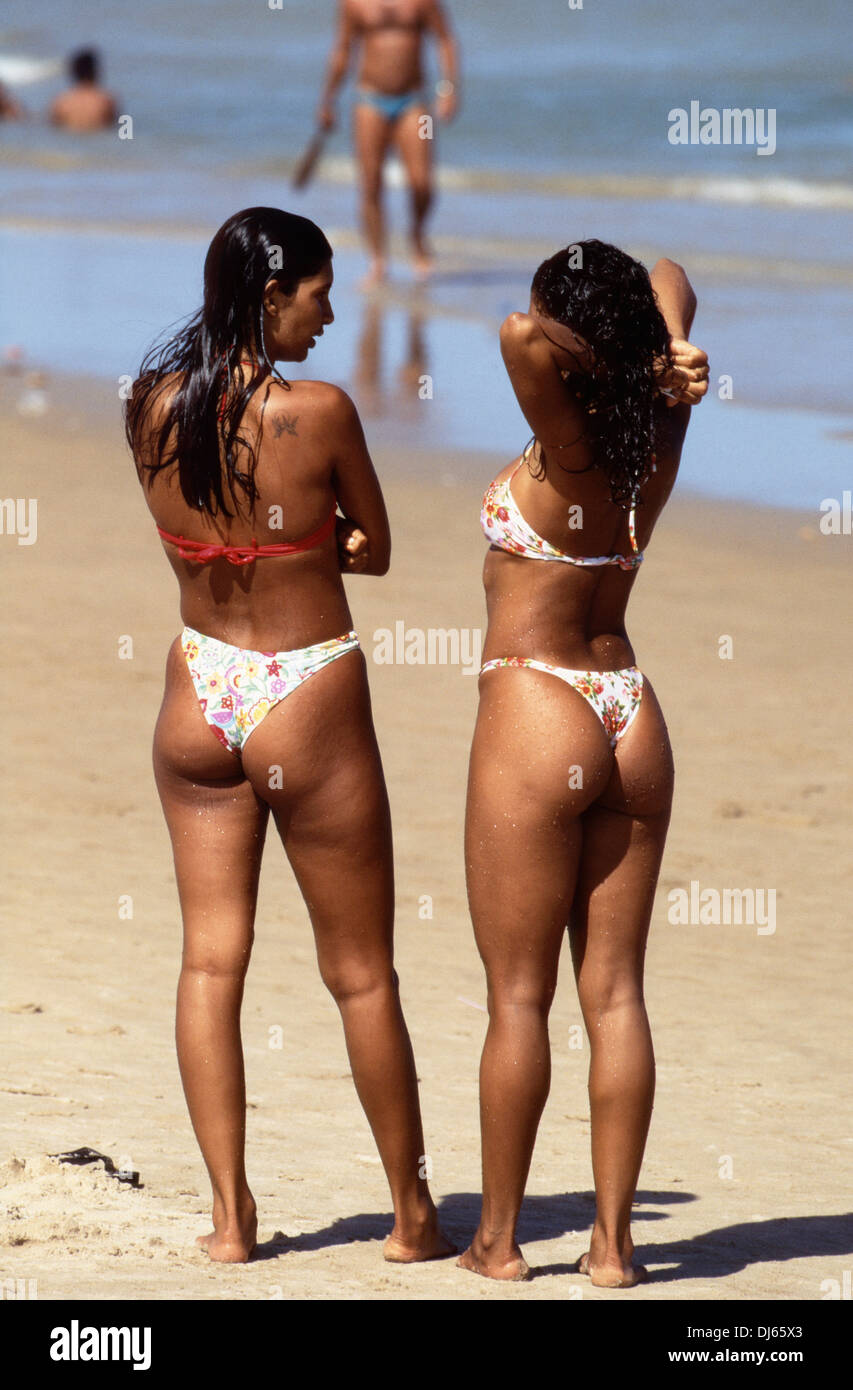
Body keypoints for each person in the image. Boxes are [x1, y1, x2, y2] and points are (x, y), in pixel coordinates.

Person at [124, 206, 453, 1265]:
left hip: (197, 689)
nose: (328, 309)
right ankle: (409, 1216)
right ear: (273, 298)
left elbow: (207, 536)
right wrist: (313, 547)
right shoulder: (319, 411)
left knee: (209, 965)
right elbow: (378, 548)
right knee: (360, 973)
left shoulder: (151, 404)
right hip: (303, 691)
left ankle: (230, 1220)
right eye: (318, 291)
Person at [459, 241, 709, 1286]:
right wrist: (667, 351)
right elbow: (670, 267)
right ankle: (612, 1248)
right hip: (629, 715)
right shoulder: (661, 422)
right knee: (615, 995)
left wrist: (608, 349)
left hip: (537, 702)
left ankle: (499, 1240)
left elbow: (518, 335)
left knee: (518, 998)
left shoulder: (568, 437)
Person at [317, 0, 459, 287]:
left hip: (415, 102)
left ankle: (417, 234)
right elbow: (342, 50)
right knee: (370, 185)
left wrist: (448, 89)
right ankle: (378, 260)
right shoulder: (353, 3)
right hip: (369, 100)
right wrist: (328, 99)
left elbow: (446, 41)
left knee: (422, 183)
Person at [49, 48, 117, 131]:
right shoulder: (106, 101)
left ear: (74, 72)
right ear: (95, 71)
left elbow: (53, 127)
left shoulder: (61, 102)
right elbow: (113, 128)